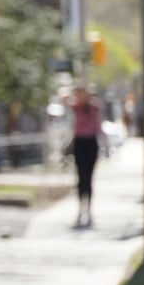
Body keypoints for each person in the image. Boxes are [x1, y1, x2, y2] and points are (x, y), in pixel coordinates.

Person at [64, 85, 103, 226]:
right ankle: (81, 208)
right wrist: (74, 93)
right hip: (79, 143)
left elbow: (99, 126)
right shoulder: (75, 107)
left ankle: (90, 209)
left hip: (91, 143)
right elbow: (63, 98)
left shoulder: (95, 107)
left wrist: (106, 144)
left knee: (90, 177)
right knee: (81, 177)